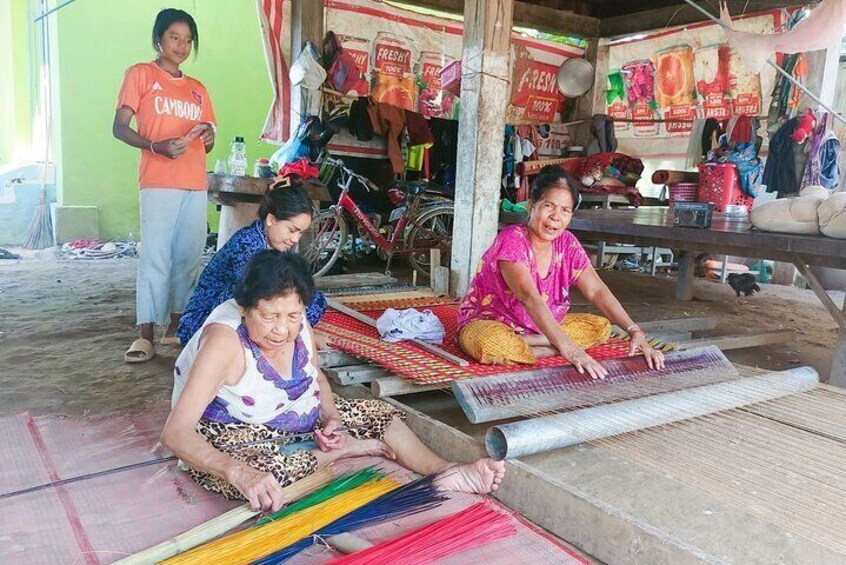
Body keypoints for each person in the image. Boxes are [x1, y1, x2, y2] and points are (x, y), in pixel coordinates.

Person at [162, 250, 505, 511]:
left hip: (293, 414)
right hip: (236, 428)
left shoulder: (298, 326)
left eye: (293, 316)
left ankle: (447, 471)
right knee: (267, 474)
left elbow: (317, 379)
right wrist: (237, 472)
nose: (282, 329)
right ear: (243, 309)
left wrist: (333, 420)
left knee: (376, 413)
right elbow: (175, 433)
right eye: (269, 317)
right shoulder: (224, 342)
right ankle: (342, 454)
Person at [458, 165, 665, 380]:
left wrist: (634, 331)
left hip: (542, 329)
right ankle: (551, 344)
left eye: (565, 210)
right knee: (488, 344)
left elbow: (596, 291)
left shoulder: (567, 244)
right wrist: (571, 350)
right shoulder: (513, 239)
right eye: (549, 206)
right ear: (531, 206)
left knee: (600, 326)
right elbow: (528, 297)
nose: (556, 216)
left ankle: (538, 343)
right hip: (495, 323)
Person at [113, 9, 216, 363]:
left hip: (194, 182)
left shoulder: (198, 89)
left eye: (188, 40)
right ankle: (145, 334)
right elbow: (120, 127)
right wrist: (157, 146)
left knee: (187, 259)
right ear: (159, 38)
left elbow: (210, 140)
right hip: (158, 181)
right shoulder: (140, 74)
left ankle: (175, 328)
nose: (182, 45)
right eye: (175, 37)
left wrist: (209, 135)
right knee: (155, 256)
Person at [176, 175, 327, 345]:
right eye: (292, 230)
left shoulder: (271, 243)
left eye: (300, 233)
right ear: (271, 220)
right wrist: (305, 334)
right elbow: (255, 299)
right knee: (271, 301)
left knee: (316, 300)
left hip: (242, 309)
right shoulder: (247, 244)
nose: (295, 239)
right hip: (203, 323)